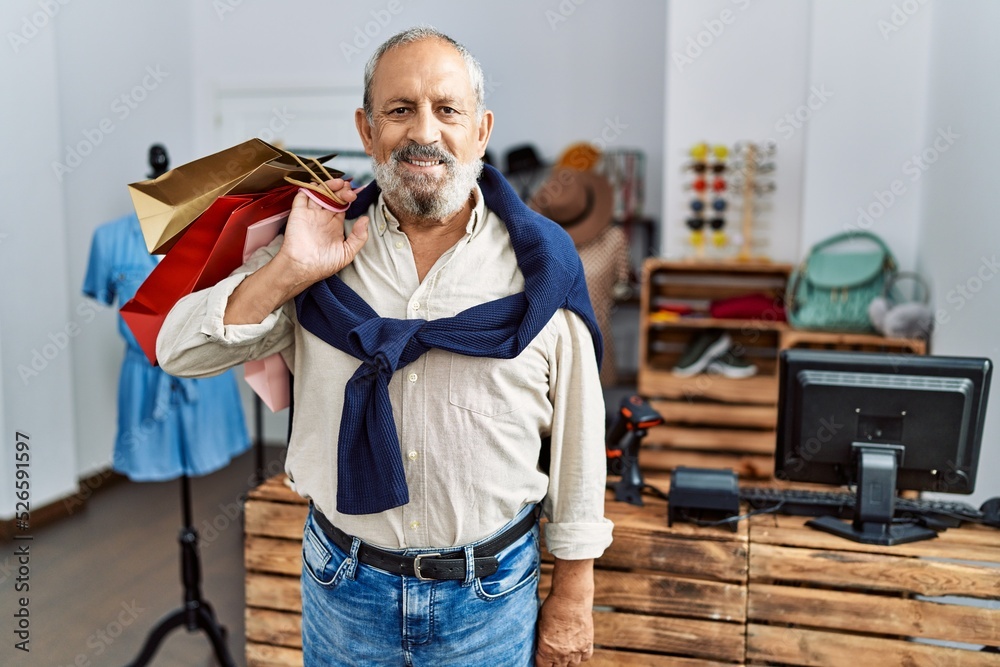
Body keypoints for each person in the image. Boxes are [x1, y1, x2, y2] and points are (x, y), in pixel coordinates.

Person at [158, 27, 612, 667]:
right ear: (367, 130)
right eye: (399, 110)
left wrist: (574, 596)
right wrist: (289, 272)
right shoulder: (312, 244)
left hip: (490, 596)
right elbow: (178, 350)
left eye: (446, 109)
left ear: (480, 131)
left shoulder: (543, 266)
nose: (423, 131)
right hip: (343, 588)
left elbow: (579, 440)